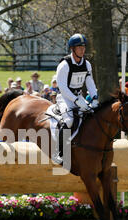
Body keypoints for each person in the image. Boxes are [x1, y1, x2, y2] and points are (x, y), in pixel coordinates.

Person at [55, 33, 98, 163]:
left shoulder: (87, 64)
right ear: (72, 49)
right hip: (64, 97)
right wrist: (75, 100)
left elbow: (89, 82)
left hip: (78, 97)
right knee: (69, 121)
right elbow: (62, 87)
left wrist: (95, 97)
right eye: (79, 47)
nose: (82, 49)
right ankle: (60, 152)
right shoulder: (64, 65)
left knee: (92, 116)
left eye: (83, 47)